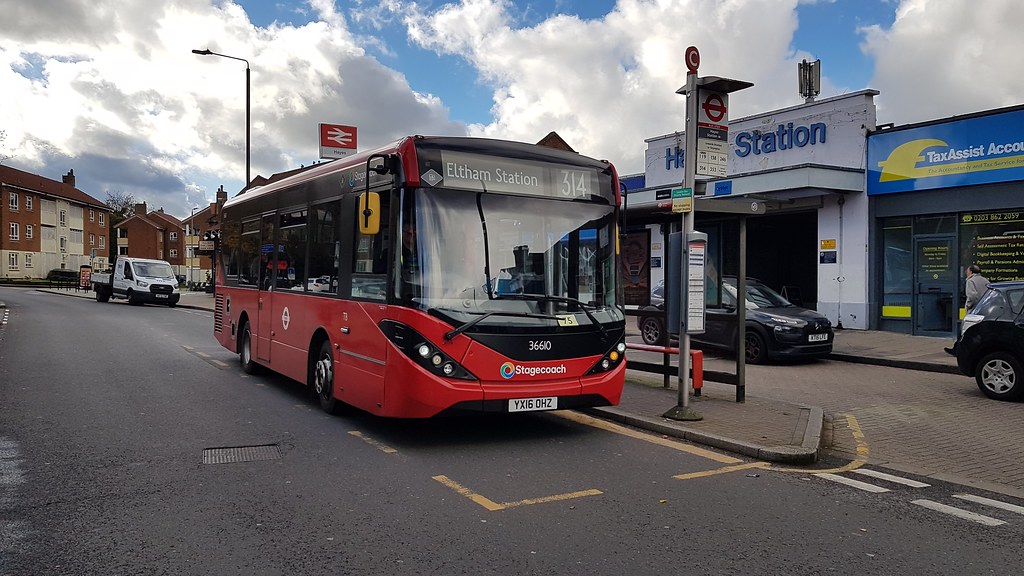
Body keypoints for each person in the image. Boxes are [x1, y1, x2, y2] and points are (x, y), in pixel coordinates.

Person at [944, 264, 990, 355]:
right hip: (984, 308)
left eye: (967, 271)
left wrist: (968, 306)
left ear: (971, 272)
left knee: (965, 330)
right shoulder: (985, 280)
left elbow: (972, 296)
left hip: (974, 310)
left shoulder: (970, 281)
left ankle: (958, 350)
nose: (966, 273)